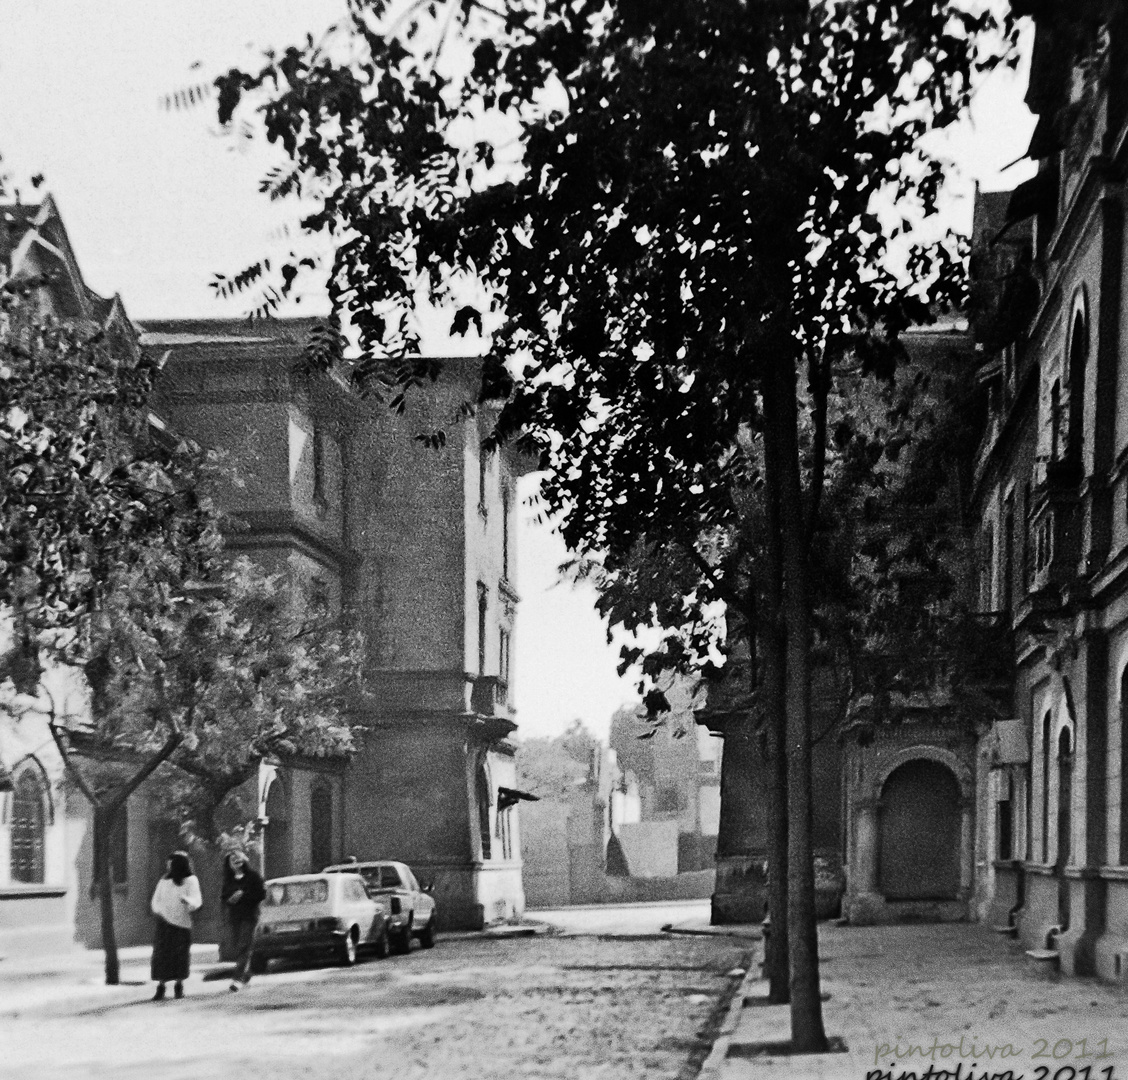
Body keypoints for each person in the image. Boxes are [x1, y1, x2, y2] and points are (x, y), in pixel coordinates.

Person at [150, 850, 203, 1001]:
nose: (168, 865)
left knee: (180, 956)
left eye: (171, 862)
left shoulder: (191, 880)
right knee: (161, 956)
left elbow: (197, 900)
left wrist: (189, 902)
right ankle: (161, 986)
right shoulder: (164, 881)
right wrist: (159, 911)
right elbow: (156, 900)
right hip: (164, 923)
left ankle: (179, 985)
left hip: (182, 924)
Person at [221, 848, 266, 991]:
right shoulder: (228, 880)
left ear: (244, 859)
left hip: (250, 916)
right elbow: (224, 898)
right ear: (229, 864)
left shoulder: (253, 876)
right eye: (232, 859)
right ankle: (246, 974)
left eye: (238, 857)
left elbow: (261, 894)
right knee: (238, 946)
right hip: (235, 917)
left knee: (244, 946)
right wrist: (231, 898)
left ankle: (237, 979)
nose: (236, 860)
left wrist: (243, 895)